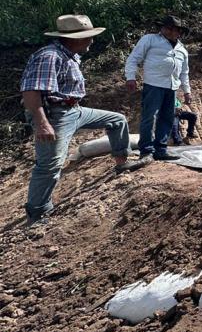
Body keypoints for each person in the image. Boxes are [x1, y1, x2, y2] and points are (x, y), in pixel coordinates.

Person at [20, 15, 150, 225]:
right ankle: (37, 213)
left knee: (117, 120)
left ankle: (122, 162)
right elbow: (30, 91)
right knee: (50, 165)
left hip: (74, 109)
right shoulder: (49, 56)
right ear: (73, 39)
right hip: (55, 114)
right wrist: (42, 123)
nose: (91, 41)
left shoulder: (69, 55)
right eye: (88, 37)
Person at [125, 15, 192, 162]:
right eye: (166, 27)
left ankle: (161, 150)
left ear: (179, 32)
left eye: (171, 29)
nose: (167, 31)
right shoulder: (150, 39)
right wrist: (130, 77)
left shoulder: (182, 49)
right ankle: (146, 151)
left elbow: (184, 72)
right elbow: (134, 58)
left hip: (171, 87)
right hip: (153, 85)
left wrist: (187, 91)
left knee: (167, 118)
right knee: (149, 118)